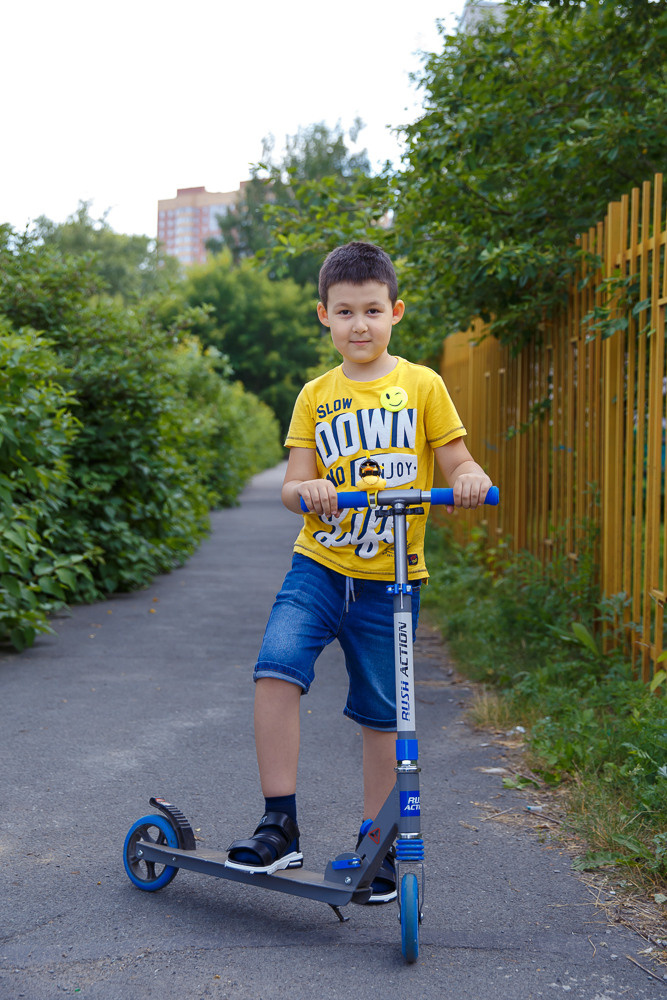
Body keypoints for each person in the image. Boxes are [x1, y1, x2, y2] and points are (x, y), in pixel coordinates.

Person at [226, 241, 493, 902]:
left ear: (394, 311)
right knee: (275, 667)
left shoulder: (422, 386)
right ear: (323, 315)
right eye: (344, 312)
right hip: (319, 566)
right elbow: (292, 483)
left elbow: (455, 461)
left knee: (385, 716)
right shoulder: (315, 397)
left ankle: (374, 848)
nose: (360, 325)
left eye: (372, 310)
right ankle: (278, 825)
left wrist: (469, 476)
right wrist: (307, 491)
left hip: (391, 581)